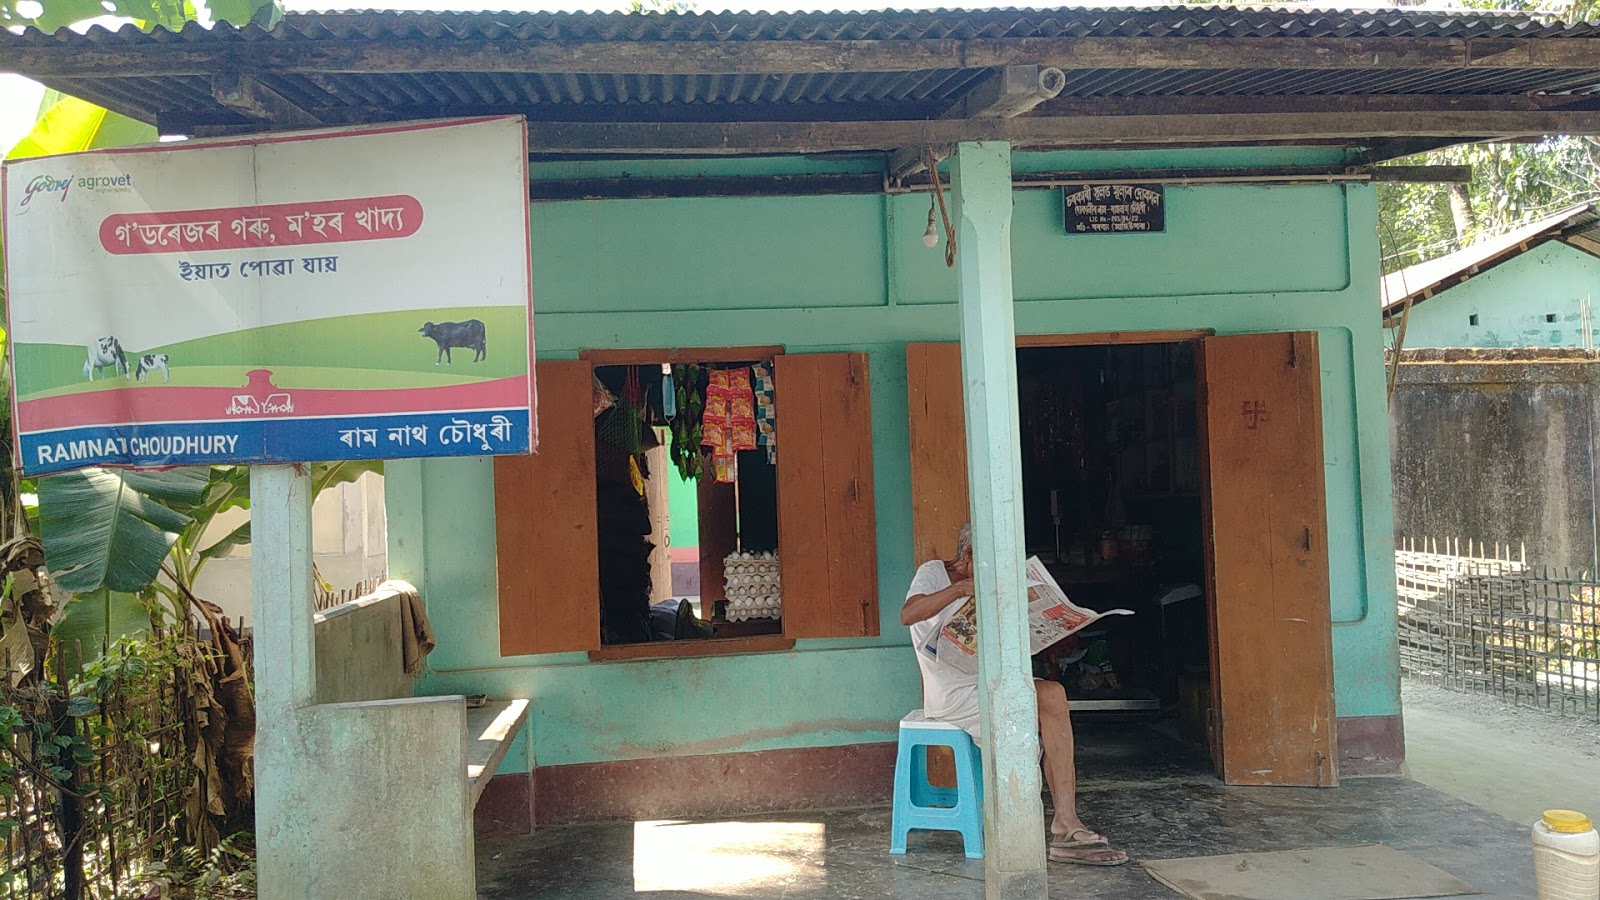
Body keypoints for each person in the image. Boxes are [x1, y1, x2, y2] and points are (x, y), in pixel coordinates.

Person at [902, 523, 1129, 867]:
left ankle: (1066, 822)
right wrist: (959, 590)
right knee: (1022, 734)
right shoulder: (933, 573)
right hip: (954, 695)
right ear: (968, 555)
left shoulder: (993, 584)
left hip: (991, 682)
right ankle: (1039, 833)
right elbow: (908, 614)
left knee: (1053, 694)